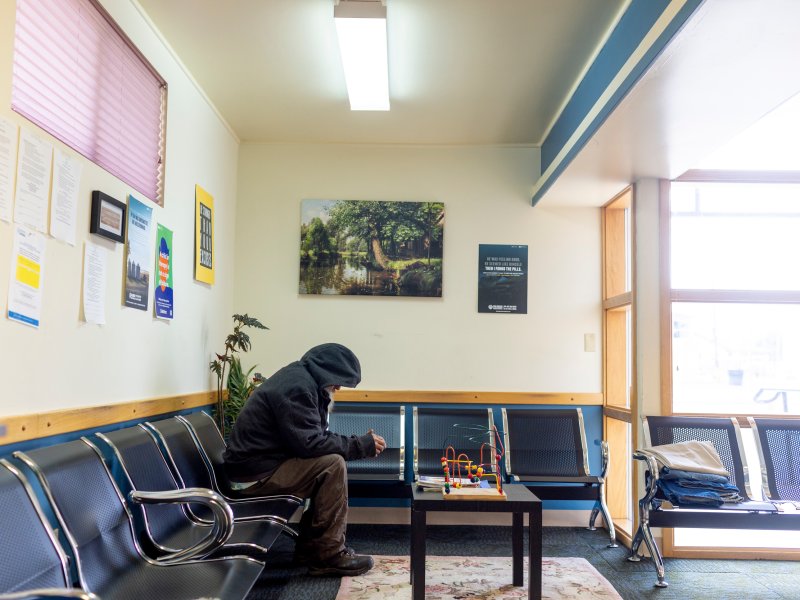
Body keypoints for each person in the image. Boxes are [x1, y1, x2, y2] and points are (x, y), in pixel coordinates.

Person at [223, 342, 386, 576]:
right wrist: (360, 445)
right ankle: (328, 556)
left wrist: (357, 443)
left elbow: (313, 438)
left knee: (328, 463)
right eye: (338, 380)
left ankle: (311, 549)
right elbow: (310, 443)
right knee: (331, 465)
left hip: (258, 468)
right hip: (254, 477)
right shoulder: (297, 387)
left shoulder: (301, 380)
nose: (338, 387)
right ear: (326, 372)